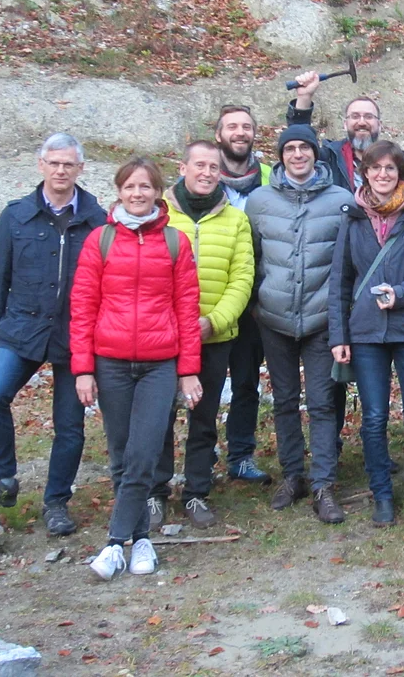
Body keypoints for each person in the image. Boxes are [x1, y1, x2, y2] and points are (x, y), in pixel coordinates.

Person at [0, 134, 106, 537]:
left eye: (68, 164)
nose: (60, 171)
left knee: (69, 425)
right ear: (41, 165)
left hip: (74, 335)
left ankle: (56, 502)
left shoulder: (98, 221)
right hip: (21, 328)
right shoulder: (15, 215)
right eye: (54, 163)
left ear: (80, 169)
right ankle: (1, 479)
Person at [71, 157, 202, 580]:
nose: (137, 193)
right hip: (110, 362)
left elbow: (187, 309)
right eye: (130, 186)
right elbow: (83, 306)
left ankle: (114, 543)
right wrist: (83, 368)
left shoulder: (176, 242)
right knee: (120, 454)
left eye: (145, 186)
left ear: (158, 192)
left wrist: (188, 370)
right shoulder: (100, 240)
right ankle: (141, 538)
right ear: (119, 191)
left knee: (144, 453)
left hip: (158, 364)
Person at [329, 142, 404, 528]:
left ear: (400, 174)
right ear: (365, 173)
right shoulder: (352, 217)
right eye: (376, 168)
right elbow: (340, 282)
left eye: (390, 168)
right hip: (366, 333)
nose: (383, 174)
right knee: (374, 418)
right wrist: (338, 336)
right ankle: (381, 495)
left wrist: (402, 293)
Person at [246, 125, 354, 522]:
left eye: (304, 148)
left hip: (322, 318)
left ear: (315, 153)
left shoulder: (341, 200)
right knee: (285, 400)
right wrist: (256, 303)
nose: (297, 155)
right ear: (281, 155)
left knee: (323, 403)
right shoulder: (259, 201)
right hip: (273, 318)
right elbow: (250, 256)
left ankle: (324, 483)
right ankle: (293, 475)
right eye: (289, 148)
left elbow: (349, 261)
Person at [149, 141, 254, 530]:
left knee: (204, 415)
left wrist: (215, 321)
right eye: (200, 165)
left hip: (214, 336)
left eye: (214, 167)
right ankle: (155, 491)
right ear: (183, 167)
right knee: (159, 415)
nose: (207, 173)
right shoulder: (158, 213)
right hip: (163, 337)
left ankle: (196, 491)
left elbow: (242, 277)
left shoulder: (235, 220)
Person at [214, 104, 273, 485]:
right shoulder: (202, 175)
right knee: (201, 382)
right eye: (232, 126)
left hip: (256, 299)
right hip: (209, 298)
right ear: (218, 134)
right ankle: (200, 455)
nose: (240, 132)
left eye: (246, 126)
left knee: (246, 381)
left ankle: (240, 455)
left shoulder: (270, 177)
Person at [287, 73, 383, 190]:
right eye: (355, 116)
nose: (362, 122)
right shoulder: (330, 158)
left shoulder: (397, 160)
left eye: (369, 116)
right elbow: (299, 138)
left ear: (379, 125)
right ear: (345, 124)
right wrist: (304, 97)